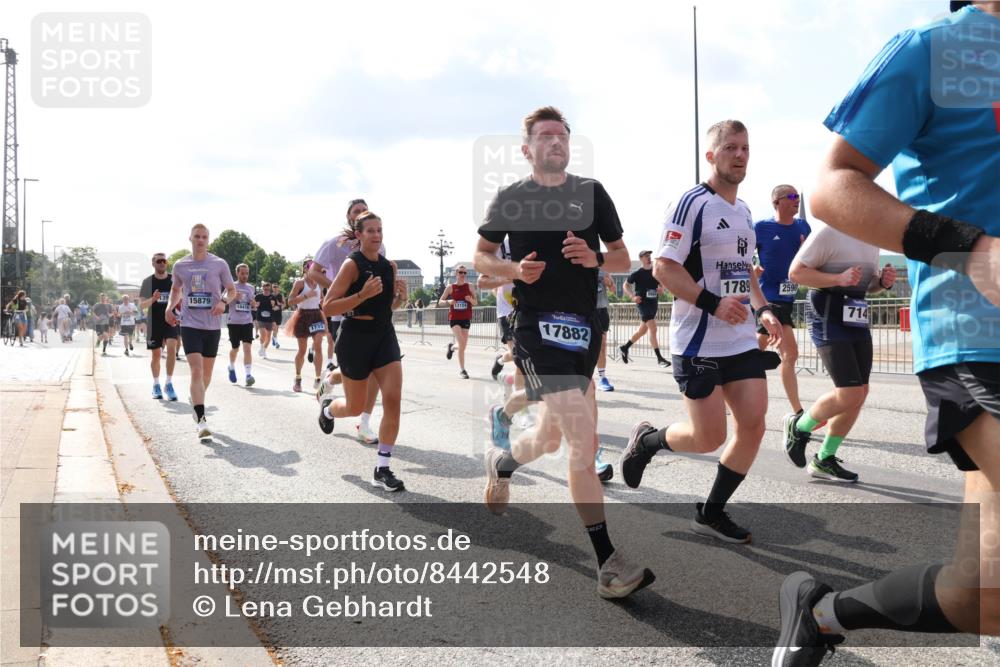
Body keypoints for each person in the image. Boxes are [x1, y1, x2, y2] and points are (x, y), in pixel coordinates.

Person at [772, 3, 1000, 664]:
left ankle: (821, 615)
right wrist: (970, 248)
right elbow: (834, 187)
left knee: (980, 595)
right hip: (978, 334)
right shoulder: (934, 48)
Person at [476, 105, 652, 598]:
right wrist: (513, 271)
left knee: (550, 440)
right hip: (535, 329)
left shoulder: (592, 194)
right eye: (546, 136)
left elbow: (620, 255)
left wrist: (596, 258)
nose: (556, 143)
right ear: (527, 149)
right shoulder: (511, 199)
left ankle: (503, 464)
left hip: (583, 331)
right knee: (581, 438)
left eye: (562, 136)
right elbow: (480, 255)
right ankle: (608, 563)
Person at [620, 119, 783, 544]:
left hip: (741, 339)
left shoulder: (745, 211)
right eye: (730, 147)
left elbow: (745, 272)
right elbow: (663, 267)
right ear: (711, 156)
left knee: (753, 424)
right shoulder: (691, 203)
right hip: (697, 341)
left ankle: (711, 512)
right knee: (707, 438)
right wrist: (712, 302)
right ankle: (648, 442)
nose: (740, 155)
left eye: (745, 148)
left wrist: (763, 310)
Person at [781, 226, 896, 482]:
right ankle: (799, 428)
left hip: (855, 315)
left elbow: (868, 284)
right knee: (849, 393)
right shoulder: (828, 233)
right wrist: (837, 278)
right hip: (827, 312)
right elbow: (795, 273)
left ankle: (824, 459)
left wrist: (883, 282)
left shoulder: (871, 236)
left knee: (860, 393)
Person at [318, 211, 408, 492]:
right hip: (355, 337)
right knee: (355, 406)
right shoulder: (351, 265)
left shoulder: (388, 266)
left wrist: (400, 298)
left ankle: (382, 468)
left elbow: (388, 308)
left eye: (380, 230)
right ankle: (329, 409)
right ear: (358, 235)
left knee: (393, 399)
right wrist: (361, 295)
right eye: (370, 230)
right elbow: (328, 306)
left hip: (384, 336)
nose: (377, 235)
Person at [308, 198, 385, 444]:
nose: (361, 214)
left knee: (374, 369)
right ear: (350, 218)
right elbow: (313, 271)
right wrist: (337, 290)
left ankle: (364, 422)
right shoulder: (334, 244)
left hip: (372, 315)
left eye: (364, 210)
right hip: (342, 316)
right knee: (357, 370)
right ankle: (330, 381)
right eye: (356, 212)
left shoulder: (378, 245)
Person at [166, 224, 237, 439]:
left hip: (212, 326)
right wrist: (170, 307)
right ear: (190, 238)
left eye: (204, 237)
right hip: (189, 324)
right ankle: (201, 419)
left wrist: (224, 302)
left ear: (208, 240)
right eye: (197, 236)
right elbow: (176, 290)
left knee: (206, 375)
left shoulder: (219, 264)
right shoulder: (181, 265)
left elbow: (232, 290)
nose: (200, 240)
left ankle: (196, 399)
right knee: (196, 371)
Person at [754, 184, 811, 416]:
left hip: (787, 300)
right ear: (777, 202)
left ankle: (797, 413)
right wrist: (752, 269)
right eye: (791, 196)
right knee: (789, 354)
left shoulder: (803, 226)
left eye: (798, 196)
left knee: (757, 354)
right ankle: (798, 412)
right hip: (767, 302)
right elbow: (741, 254)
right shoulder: (761, 227)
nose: (796, 199)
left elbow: (813, 255)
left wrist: (806, 251)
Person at [140, 253, 181, 401]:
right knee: (156, 355)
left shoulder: (174, 280)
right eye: (159, 261)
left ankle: (168, 384)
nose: (162, 263)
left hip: (170, 320)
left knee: (171, 348)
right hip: (154, 322)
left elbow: (181, 296)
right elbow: (142, 305)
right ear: (153, 263)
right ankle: (156, 385)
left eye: (164, 261)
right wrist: (153, 299)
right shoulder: (147, 282)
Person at [620, 250, 670, 368]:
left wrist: (662, 288)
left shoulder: (655, 272)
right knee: (653, 328)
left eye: (649, 256)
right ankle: (659, 358)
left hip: (653, 304)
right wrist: (632, 296)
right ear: (641, 258)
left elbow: (662, 283)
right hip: (642, 304)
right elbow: (625, 285)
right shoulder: (638, 273)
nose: (649, 258)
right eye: (646, 256)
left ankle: (624, 347)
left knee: (642, 331)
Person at [286, 259, 326, 392]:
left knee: (319, 345)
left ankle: (318, 378)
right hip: (302, 316)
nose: (316, 270)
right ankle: (298, 378)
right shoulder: (299, 283)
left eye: (317, 267)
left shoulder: (319, 283)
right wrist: (306, 296)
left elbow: (323, 299)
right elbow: (290, 301)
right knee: (302, 351)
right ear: (305, 269)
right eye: (311, 267)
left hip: (316, 316)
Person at [439, 265, 476, 378]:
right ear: (456, 274)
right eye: (461, 272)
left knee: (463, 345)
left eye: (465, 273)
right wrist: (448, 301)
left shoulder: (470, 286)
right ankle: (462, 370)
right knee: (461, 343)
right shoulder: (450, 287)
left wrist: (470, 300)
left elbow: (475, 302)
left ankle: (451, 347)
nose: (463, 275)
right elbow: (440, 301)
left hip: (466, 318)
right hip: (454, 318)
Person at [225, 263, 257, 387]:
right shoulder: (231, 286)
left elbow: (253, 303)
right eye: (242, 273)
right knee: (235, 348)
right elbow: (224, 300)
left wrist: (253, 303)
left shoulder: (250, 288)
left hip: (247, 321)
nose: (245, 276)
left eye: (247, 273)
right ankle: (231, 366)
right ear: (237, 273)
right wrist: (233, 297)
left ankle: (248, 375)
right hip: (234, 322)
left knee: (247, 347)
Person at [595, 270, 616, 390]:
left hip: (602, 311)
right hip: (585, 310)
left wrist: (609, 283)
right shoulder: (580, 267)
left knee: (602, 346)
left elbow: (613, 290)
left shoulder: (604, 271)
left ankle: (602, 378)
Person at [253, 283, 276, 357]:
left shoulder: (272, 297)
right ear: (262, 289)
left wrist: (273, 305)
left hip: (270, 319)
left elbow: (276, 308)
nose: (266, 291)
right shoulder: (258, 296)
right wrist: (256, 305)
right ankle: (261, 346)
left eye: (268, 289)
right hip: (260, 318)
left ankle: (264, 350)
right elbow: (254, 305)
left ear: (270, 289)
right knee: (263, 334)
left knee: (268, 337)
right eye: (265, 289)